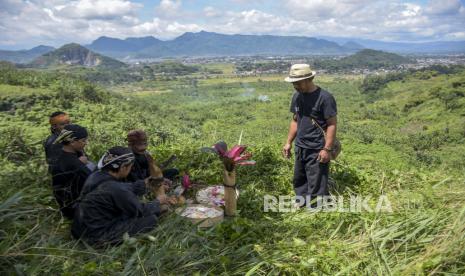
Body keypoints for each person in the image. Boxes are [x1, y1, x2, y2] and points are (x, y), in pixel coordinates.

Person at [71, 146, 173, 245]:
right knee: (150, 219)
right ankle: (104, 243)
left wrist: (148, 182)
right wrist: (158, 201)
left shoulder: (96, 175)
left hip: (80, 228)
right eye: (130, 166)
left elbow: (127, 187)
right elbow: (140, 211)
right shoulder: (117, 189)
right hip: (96, 235)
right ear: (123, 167)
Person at [282, 64, 338, 207]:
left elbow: (332, 124)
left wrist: (327, 149)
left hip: (317, 147)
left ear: (309, 79)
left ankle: (317, 210)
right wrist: (288, 142)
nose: (295, 86)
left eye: (298, 83)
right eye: (293, 83)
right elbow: (295, 120)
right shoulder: (297, 97)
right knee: (300, 179)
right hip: (300, 146)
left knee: (317, 182)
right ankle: (301, 203)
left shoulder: (325, 98)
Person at [51, 124, 93, 219]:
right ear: (72, 142)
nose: (86, 143)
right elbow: (93, 180)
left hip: (65, 205)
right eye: (83, 140)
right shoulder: (75, 164)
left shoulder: (61, 155)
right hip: (75, 209)